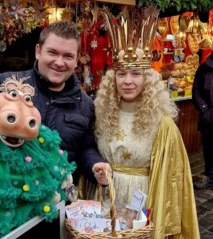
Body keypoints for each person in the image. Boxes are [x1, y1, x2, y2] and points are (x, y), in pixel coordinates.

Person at [0, 20, 110, 238]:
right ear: (38, 51)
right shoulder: (7, 85)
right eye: (53, 52)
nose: (60, 62)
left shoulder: (85, 104)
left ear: (77, 59)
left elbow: (85, 148)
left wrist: (96, 164)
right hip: (3, 202)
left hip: (54, 206)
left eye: (68, 56)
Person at [86, 6, 200, 239]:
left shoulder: (163, 123)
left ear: (147, 78)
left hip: (143, 201)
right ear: (112, 78)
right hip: (106, 199)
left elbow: (174, 180)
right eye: (121, 74)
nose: (128, 81)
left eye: (136, 74)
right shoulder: (102, 113)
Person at [192, 52, 213, 189]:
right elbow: (196, 90)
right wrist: (204, 109)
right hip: (209, 117)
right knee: (209, 147)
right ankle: (210, 175)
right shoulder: (204, 69)